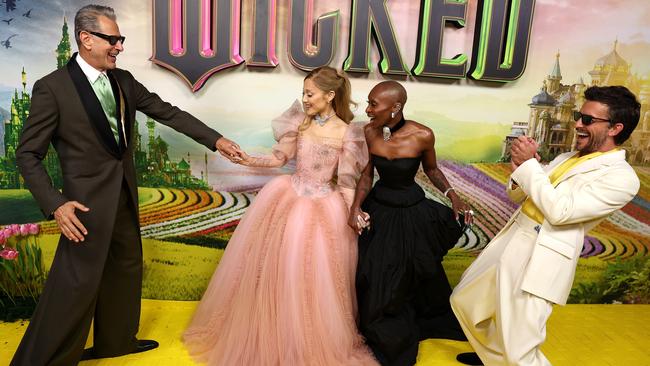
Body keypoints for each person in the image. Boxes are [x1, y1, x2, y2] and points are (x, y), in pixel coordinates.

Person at [11, 5, 241, 365]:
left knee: (125, 267)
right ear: (85, 39)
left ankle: (116, 343)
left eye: (120, 39)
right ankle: (43, 358)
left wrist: (216, 140)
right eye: (112, 39)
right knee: (75, 285)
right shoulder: (52, 89)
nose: (119, 46)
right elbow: (27, 155)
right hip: (82, 207)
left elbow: (168, 112)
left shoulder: (124, 81)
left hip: (123, 195)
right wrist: (56, 203)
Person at [182, 66, 378, 365]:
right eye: (303, 93)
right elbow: (279, 158)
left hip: (324, 206)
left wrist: (355, 212)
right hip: (289, 200)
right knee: (279, 271)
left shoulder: (348, 133)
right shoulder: (300, 122)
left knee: (316, 279)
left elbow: (348, 181)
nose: (305, 99)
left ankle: (307, 342)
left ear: (330, 94)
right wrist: (248, 158)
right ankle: (275, 332)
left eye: (310, 94)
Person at [450, 85, 641, 366]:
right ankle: (497, 359)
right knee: (463, 301)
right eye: (578, 115)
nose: (577, 124)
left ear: (615, 128)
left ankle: (513, 360)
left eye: (587, 119)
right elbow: (520, 195)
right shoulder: (567, 158)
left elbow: (560, 211)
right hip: (514, 235)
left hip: (543, 252)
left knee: (521, 346)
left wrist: (530, 167)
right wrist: (520, 168)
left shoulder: (622, 178)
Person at [348, 80, 473, 366]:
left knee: (408, 272)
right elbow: (367, 175)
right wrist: (355, 207)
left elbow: (432, 169)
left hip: (412, 213)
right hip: (380, 209)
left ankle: (408, 320)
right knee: (372, 273)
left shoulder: (423, 135)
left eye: (373, 105)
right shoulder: (369, 131)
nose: (367, 110)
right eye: (368, 103)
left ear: (396, 108)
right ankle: (380, 327)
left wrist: (452, 196)